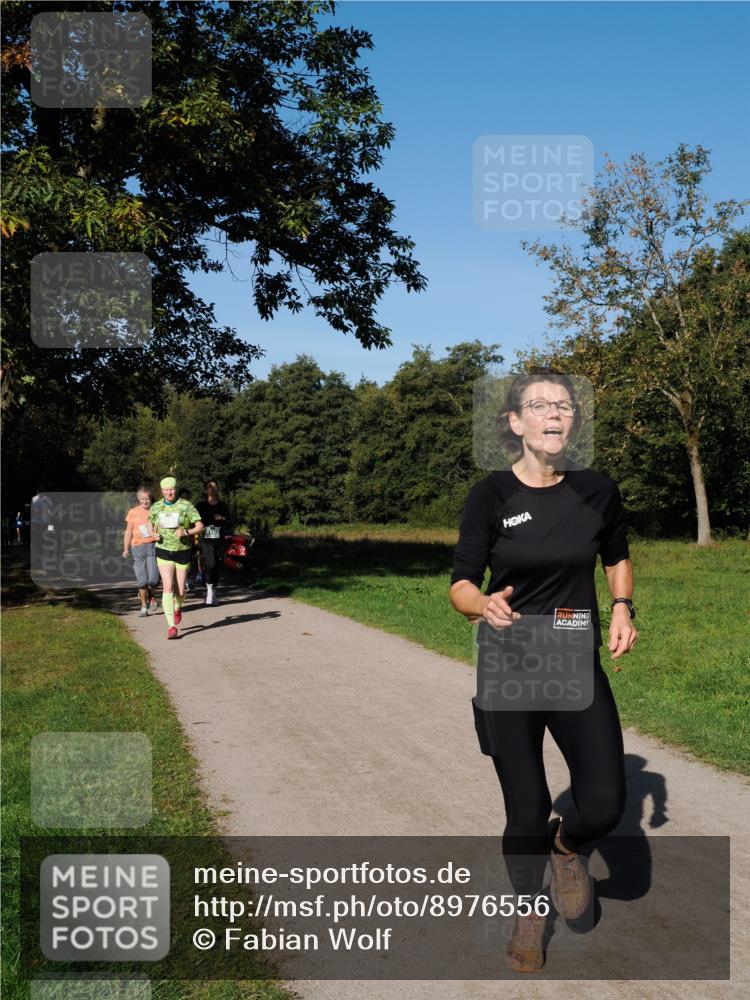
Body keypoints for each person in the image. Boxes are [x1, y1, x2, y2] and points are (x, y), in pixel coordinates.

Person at [449, 367, 638, 974]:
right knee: (525, 810)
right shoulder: (490, 496)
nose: (555, 413)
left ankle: (567, 845)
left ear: (574, 421)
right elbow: (460, 584)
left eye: (564, 405)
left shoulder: (597, 490)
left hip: (572, 656)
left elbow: (617, 556)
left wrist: (622, 607)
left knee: (605, 802)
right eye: (539, 405)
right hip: (508, 662)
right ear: (515, 422)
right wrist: (483, 604)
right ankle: (529, 910)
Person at [149, 476, 204, 639]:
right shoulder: (156, 507)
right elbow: (149, 524)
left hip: (183, 550)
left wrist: (186, 532)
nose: (169, 492)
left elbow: (200, 526)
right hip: (163, 549)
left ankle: (177, 607)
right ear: (162, 491)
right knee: (168, 587)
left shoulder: (186, 505)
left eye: (171, 489)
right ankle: (171, 626)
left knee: (180, 589)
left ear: (176, 489)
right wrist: (152, 533)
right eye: (166, 490)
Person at [122, 486, 160, 617]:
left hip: (152, 546)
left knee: (154, 580)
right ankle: (144, 606)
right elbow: (128, 531)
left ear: (151, 499)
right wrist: (125, 548)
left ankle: (152, 594)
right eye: (142, 499)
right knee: (142, 580)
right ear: (139, 499)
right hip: (137, 547)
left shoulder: (156, 510)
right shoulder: (133, 512)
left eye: (147, 499)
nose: (145, 501)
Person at [196, 479, 234, 606]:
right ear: (206, 490)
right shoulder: (200, 506)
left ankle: (213, 591)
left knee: (217, 565)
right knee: (210, 564)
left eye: (214, 487)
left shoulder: (223, 506)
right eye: (209, 487)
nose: (211, 489)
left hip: (219, 540)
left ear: (217, 489)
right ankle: (208, 589)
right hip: (206, 539)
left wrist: (222, 518)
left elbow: (230, 522)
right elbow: (193, 520)